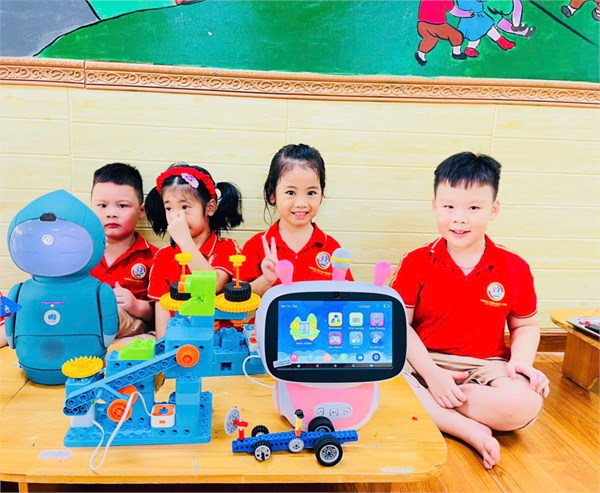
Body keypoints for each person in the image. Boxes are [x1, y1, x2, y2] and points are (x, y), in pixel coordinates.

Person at [390, 152, 550, 470]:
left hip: (485, 368)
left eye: (473, 208)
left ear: (494, 210)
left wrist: (521, 363)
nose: (459, 218)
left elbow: (526, 326)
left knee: (525, 403)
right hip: (423, 361)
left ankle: (434, 405)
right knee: (380, 381)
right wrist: (433, 376)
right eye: (449, 207)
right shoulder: (416, 262)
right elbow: (400, 326)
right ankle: (466, 428)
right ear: (435, 206)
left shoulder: (514, 267)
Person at [145, 162, 243, 338]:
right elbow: (162, 315)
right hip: (179, 343)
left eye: (185, 207)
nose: (177, 216)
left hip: (220, 340)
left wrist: (184, 241)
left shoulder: (227, 247)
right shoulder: (163, 256)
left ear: (210, 208)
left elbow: (213, 285)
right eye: (169, 208)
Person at [239, 144, 352, 295]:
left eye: (311, 193)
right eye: (291, 192)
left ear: (321, 195)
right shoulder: (255, 246)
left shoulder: (331, 248)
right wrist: (266, 280)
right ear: (272, 194)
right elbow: (237, 301)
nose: (301, 203)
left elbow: (347, 299)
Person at [91, 163, 158, 340]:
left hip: (130, 325)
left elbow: (162, 312)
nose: (111, 213)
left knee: (113, 313)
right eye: (102, 205)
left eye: (122, 206)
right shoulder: (81, 254)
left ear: (141, 211)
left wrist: (136, 305)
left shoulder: (155, 257)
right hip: (83, 322)